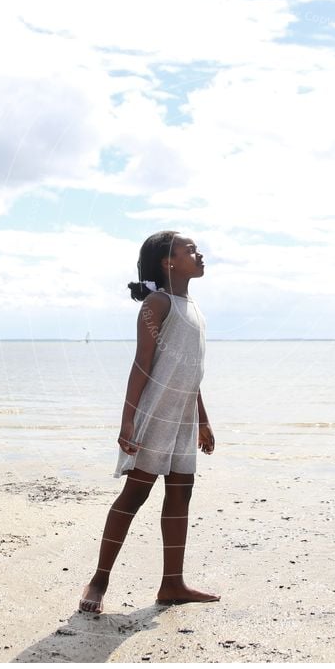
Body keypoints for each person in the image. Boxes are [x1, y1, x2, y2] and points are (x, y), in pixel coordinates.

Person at [79, 230, 220, 613]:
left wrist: (202, 419)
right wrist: (127, 421)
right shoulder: (157, 304)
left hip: (184, 419)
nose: (199, 253)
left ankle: (172, 583)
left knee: (180, 495)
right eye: (190, 249)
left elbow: (191, 372)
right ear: (167, 261)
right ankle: (99, 580)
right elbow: (143, 363)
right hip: (156, 412)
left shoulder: (195, 308)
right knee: (135, 494)